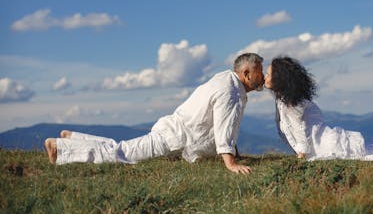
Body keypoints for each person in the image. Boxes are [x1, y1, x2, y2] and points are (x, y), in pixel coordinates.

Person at [44, 53, 265, 174]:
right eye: (259, 72)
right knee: (122, 154)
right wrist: (231, 163)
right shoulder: (231, 91)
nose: (262, 77)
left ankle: (74, 139)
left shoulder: (225, 80)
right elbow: (223, 127)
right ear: (246, 73)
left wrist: (234, 152)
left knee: (123, 149)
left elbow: (223, 125)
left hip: (174, 135)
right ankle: (60, 147)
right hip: (173, 138)